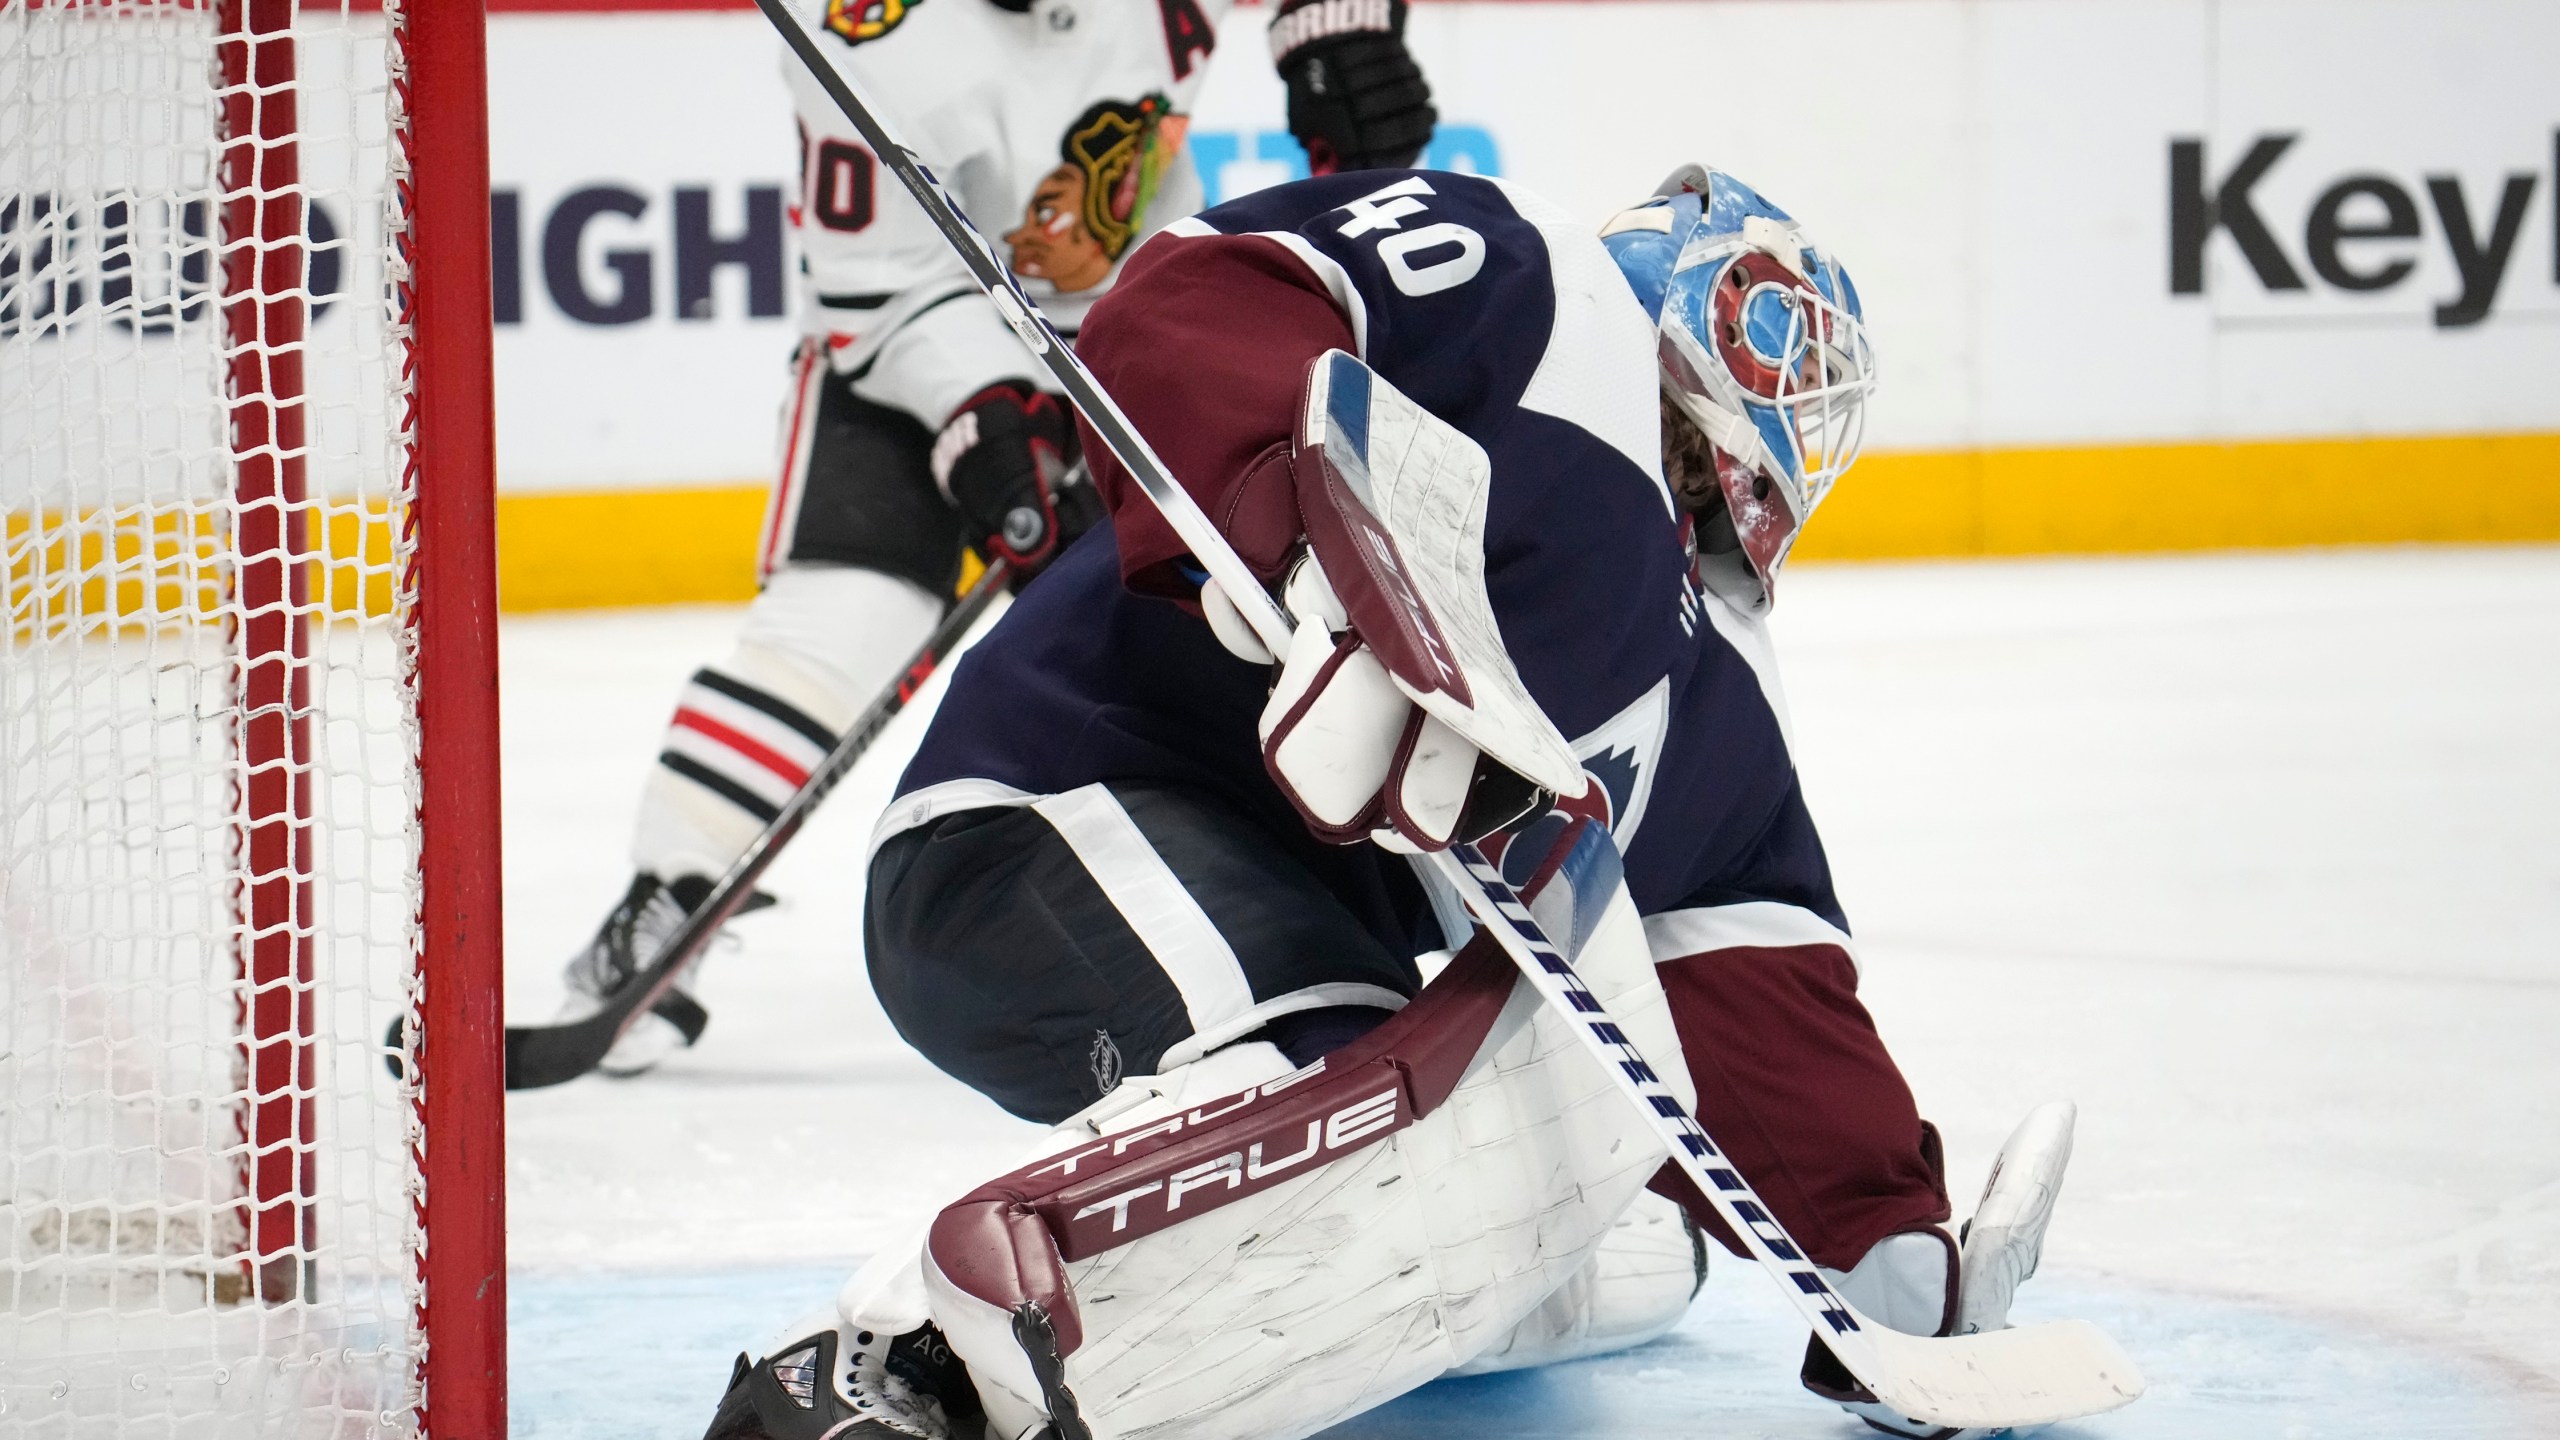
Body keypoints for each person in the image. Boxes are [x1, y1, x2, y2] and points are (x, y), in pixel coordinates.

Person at [696, 165, 2088, 1440]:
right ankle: (880, 1369)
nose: (1791, 410)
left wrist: (1890, 1262)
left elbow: (1748, 977)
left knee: (1493, 1194)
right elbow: (1187, 302)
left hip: (1285, 945)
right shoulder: (1532, 288)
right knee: (1339, 1100)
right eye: (1783, 357)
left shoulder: (1710, 684)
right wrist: (1309, 551)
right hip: (1044, 815)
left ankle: (1056, 1366)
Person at [556, 0, 1439, 1073]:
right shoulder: (868, 34)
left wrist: (1330, 30)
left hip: (1135, 332)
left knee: (1228, 622)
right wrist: (986, 408)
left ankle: (1299, 892)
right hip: (909, 348)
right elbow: (877, 289)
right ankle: (667, 895)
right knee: (844, 622)